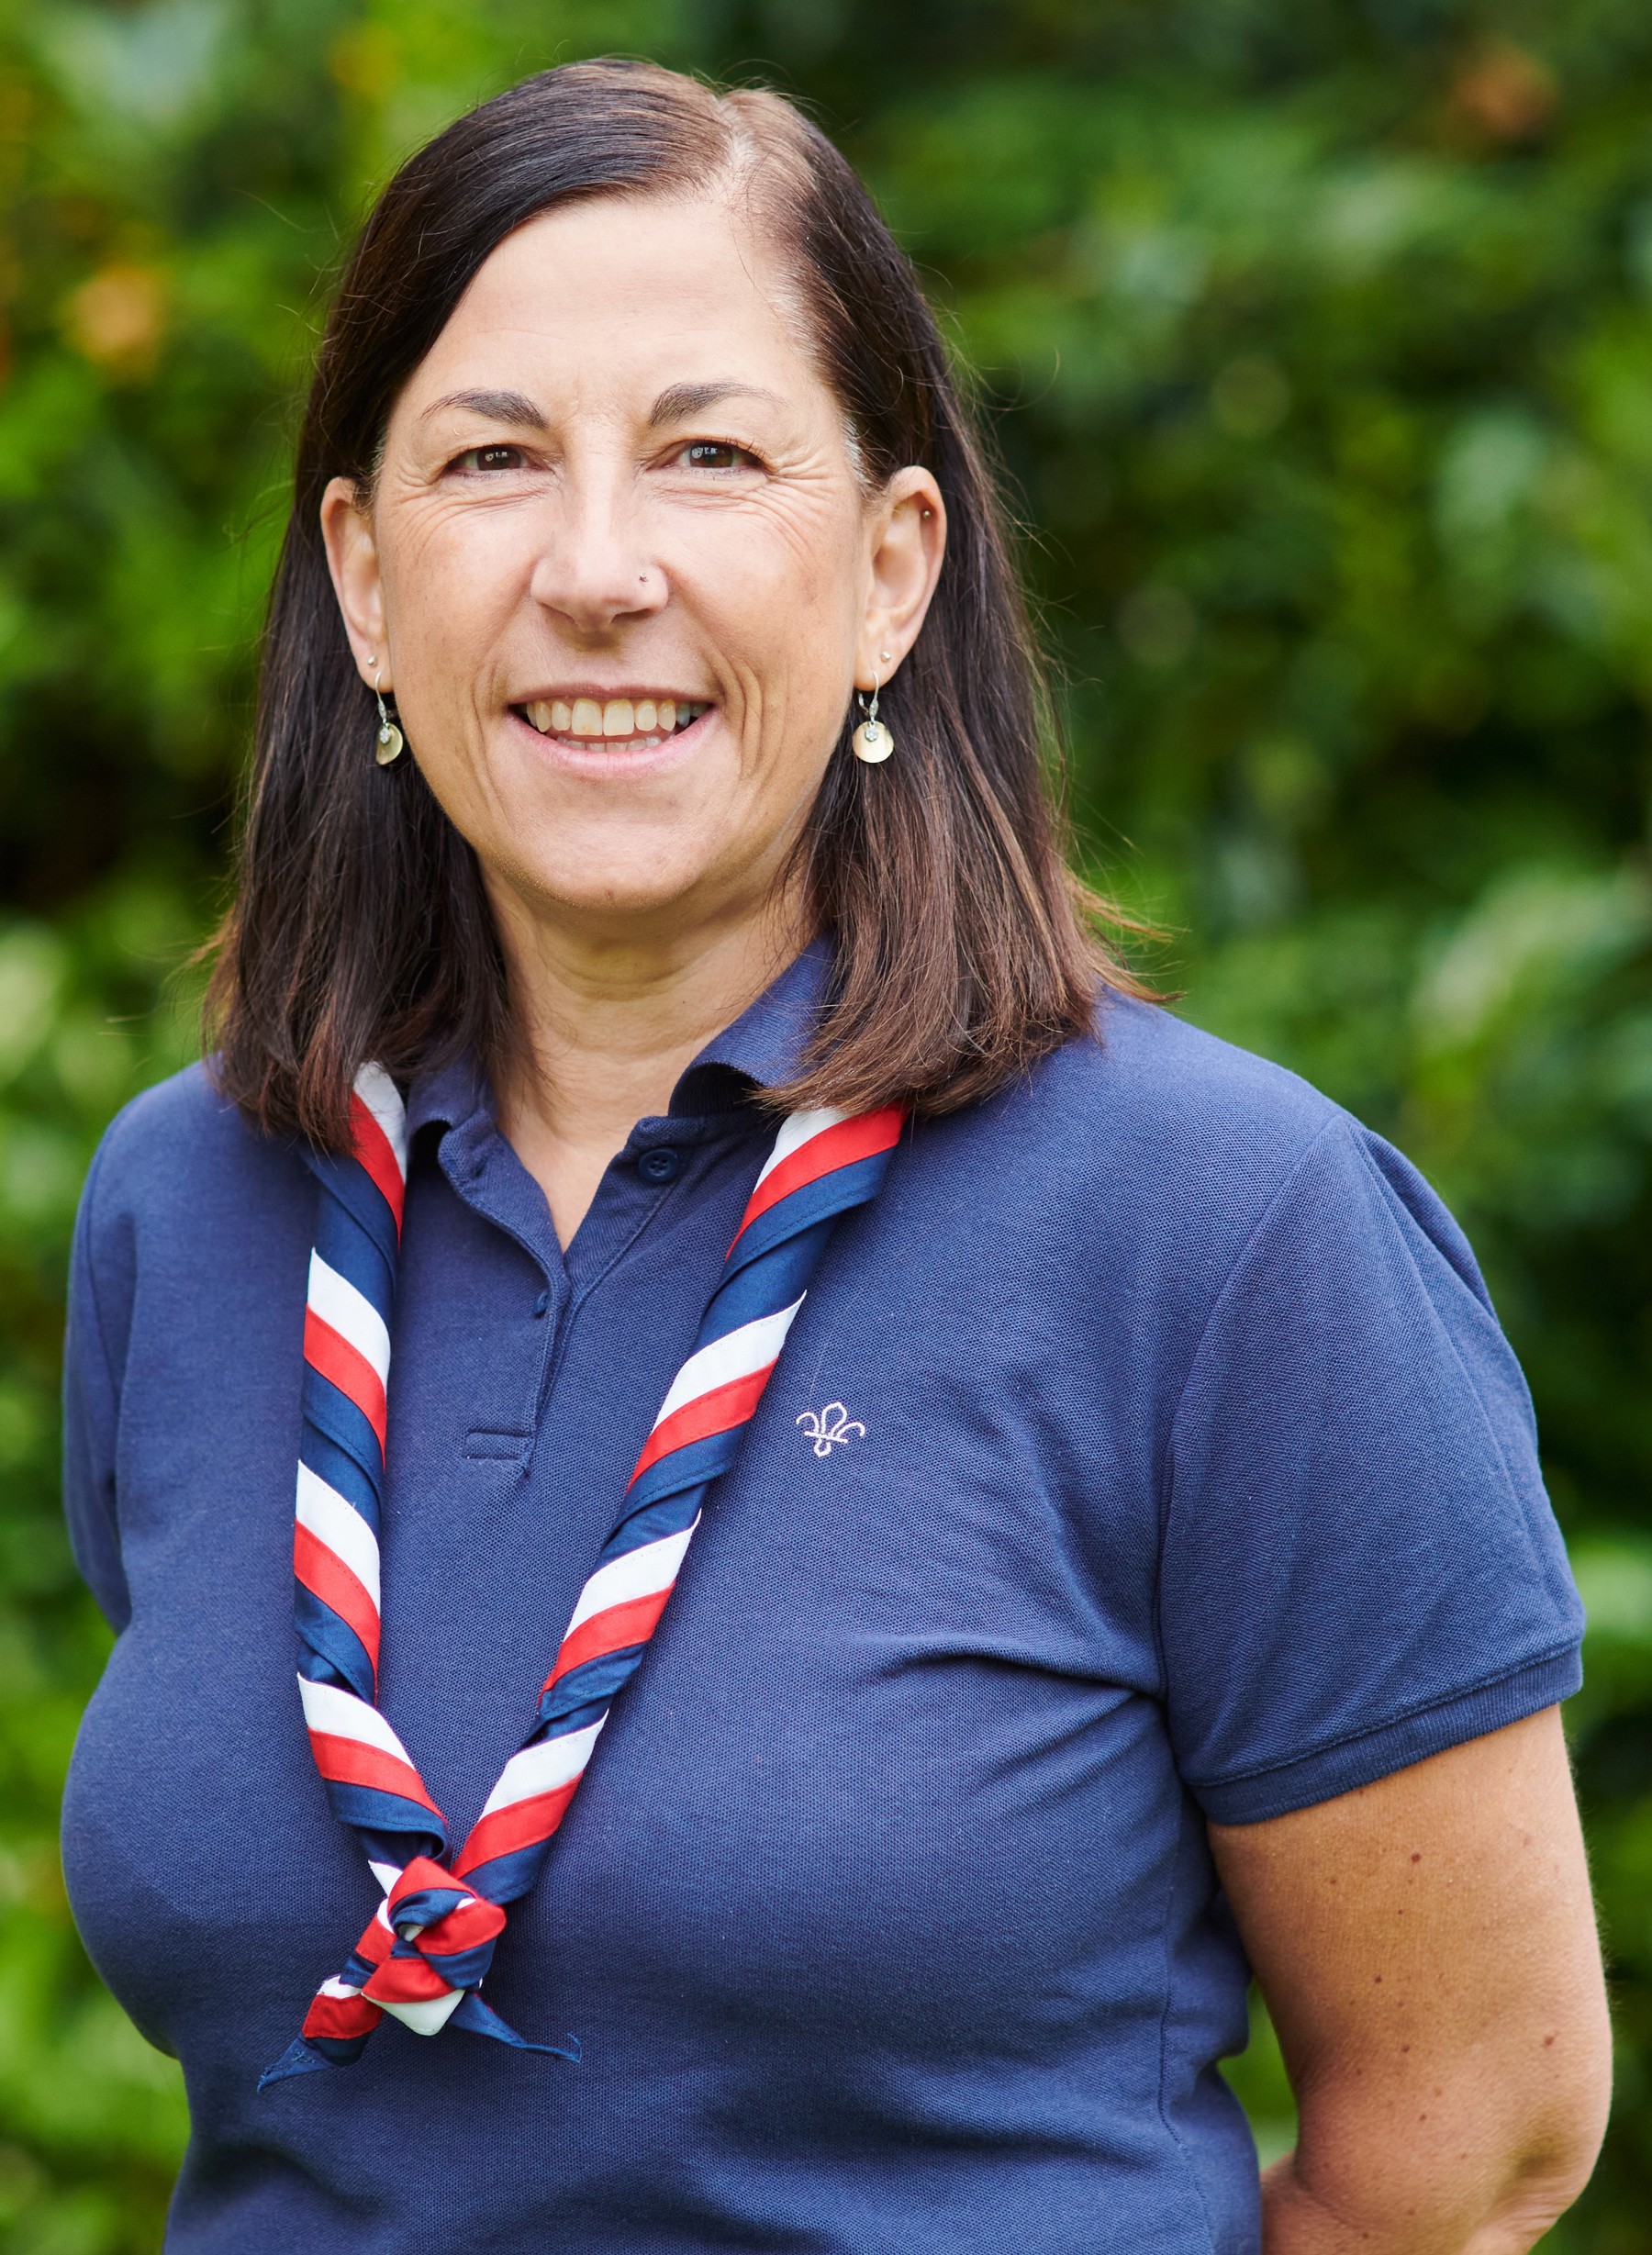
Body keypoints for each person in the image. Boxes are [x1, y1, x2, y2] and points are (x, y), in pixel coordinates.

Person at [60, 58, 1609, 2255]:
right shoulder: (193, 1199)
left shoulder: (1228, 1230)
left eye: (710, 455)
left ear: (891, 572)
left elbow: (1475, 2143)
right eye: (493, 462)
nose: (599, 570)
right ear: (366, 582)